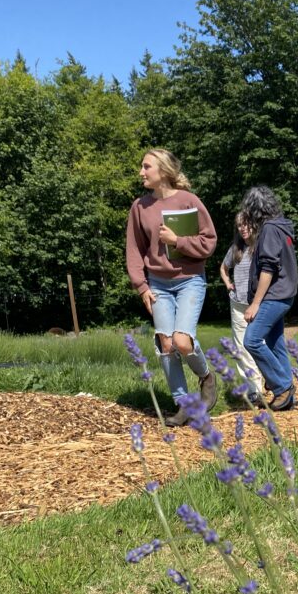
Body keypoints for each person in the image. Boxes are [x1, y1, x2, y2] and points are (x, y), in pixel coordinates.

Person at [126, 148, 218, 426]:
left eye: (146, 167)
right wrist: (141, 286)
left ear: (163, 171)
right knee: (165, 344)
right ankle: (184, 404)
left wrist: (177, 241)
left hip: (190, 280)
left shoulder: (189, 201)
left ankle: (206, 377)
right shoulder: (139, 207)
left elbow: (209, 242)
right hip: (158, 284)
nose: (141, 172)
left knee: (181, 340)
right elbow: (133, 250)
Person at [241, 185, 298, 412]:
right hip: (285, 294)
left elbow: (269, 268)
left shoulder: (270, 229)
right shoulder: (282, 227)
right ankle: (285, 398)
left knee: (252, 340)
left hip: (274, 296)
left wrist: (256, 303)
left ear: (254, 210)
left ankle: (282, 385)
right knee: (275, 343)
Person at [219, 212, 265, 403]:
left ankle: (267, 378)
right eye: (239, 226)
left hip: (257, 304)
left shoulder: (261, 246)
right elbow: (223, 268)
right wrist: (228, 283)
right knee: (240, 347)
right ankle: (255, 389)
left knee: (258, 344)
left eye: (246, 224)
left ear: (253, 225)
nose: (243, 228)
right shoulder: (236, 249)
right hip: (238, 304)